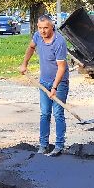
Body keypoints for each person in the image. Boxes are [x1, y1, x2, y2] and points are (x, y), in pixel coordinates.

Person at [20, 14, 69, 156]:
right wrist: (24, 64)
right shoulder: (37, 36)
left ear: (52, 27)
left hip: (59, 83)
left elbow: (61, 68)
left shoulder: (59, 42)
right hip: (43, 82)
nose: (43, 31)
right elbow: (31, 47)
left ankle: (59, 146)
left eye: (46, 28)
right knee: (45, 114)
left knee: (58, 113)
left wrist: (54, 87)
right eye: (40, 28)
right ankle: (43, 145)